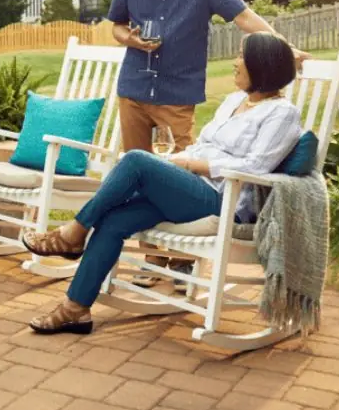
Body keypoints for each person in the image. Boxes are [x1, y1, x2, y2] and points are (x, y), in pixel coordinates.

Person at [20, 32, 303, 335]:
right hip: (190, 188)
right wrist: (175, 162)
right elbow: (202, 144)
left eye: (240, 57)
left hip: (224, 199)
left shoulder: (282, 113)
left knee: (136, 161)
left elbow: (256, 166)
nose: (235, 63)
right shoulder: (235, 101)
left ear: (261, 66)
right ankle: (75, 310)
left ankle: (73, 233)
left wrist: (192, 165)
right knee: (115, 219)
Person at [108, 0, 307, 287]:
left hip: (177, 93)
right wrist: (130, 39)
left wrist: (285, 46)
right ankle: (155, 260)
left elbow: (243, 16)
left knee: (185, 176)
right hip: (133, 88)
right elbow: (116, 25)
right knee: (137, 176)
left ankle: (182, 262)